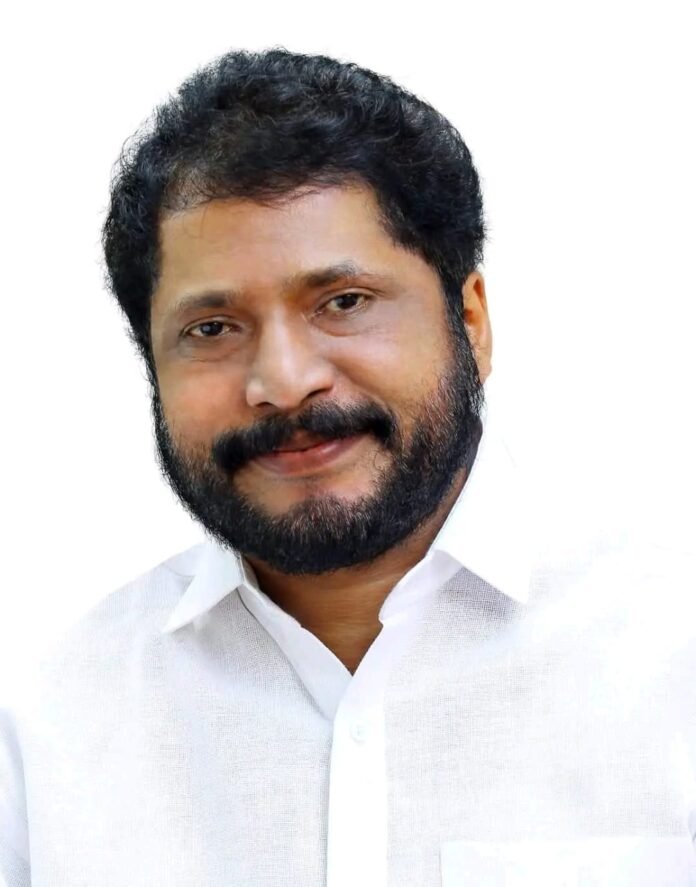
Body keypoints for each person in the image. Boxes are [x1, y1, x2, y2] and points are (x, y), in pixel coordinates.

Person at [1, 47, 695, 887]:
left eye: (343, 302)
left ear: (471, 320)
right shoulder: (44, 732)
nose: (284, 380)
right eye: (212, 328)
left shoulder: (672, 658)